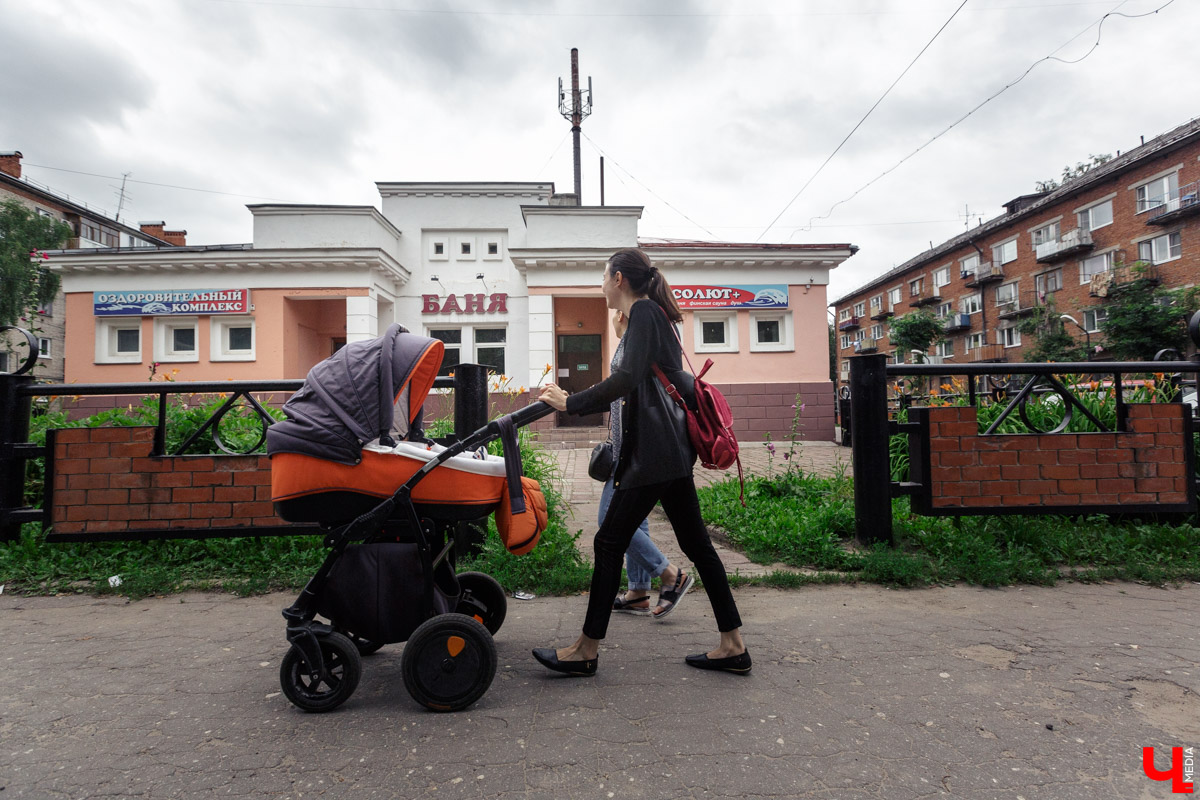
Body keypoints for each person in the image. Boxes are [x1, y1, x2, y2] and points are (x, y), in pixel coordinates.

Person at [533, 248, 750, 676]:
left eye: (602, 275)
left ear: (618, 279)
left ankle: (585, 649)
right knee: (697, 547)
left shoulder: (648, 314)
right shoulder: (646, 318)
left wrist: (570, 401)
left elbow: (627, 379)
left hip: (653, 456)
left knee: (609, 542)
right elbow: (636, 375)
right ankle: (733, 644)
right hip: (665, 455)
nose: (600, 284)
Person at [602, 308, 693, 620]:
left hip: (635, 452)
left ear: (622, 315)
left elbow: (624, 385)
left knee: (608, 521)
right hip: (630, 450)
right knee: (636, 521)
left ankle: (669, 574)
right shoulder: (639, 336)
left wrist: (573, 403)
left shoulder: (638, 335)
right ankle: (638, 591)